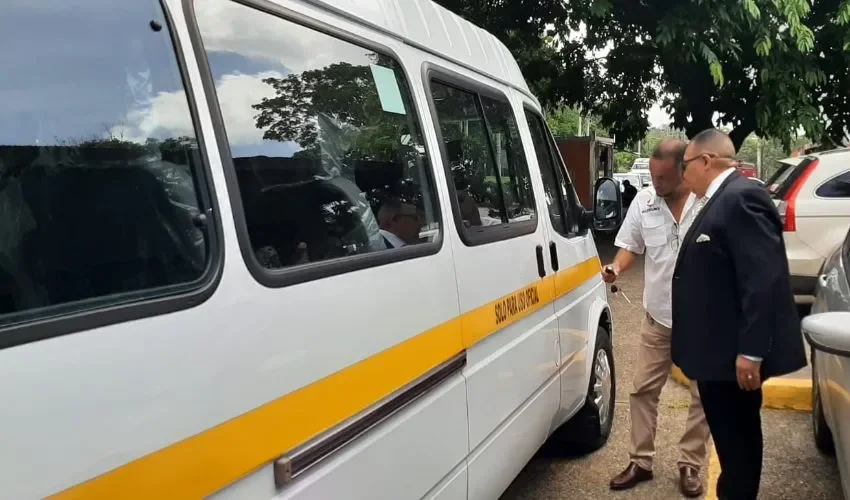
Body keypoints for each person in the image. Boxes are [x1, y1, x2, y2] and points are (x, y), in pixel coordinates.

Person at [673, 129, 807, 499]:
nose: (682, 174)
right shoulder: (721, 200)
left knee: (739, 445)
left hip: (733, 359)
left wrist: (752, 351)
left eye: (686, 165)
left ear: (705, 161)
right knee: (732, 444)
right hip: (718, 356)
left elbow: (762, 281)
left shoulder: (741, 197)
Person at [605, 140, 710, 497]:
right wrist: (615, 267)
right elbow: (629, 245)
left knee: (703, 395)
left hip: (702, 321)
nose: (657, 183)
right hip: (658, 320)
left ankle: (691, 465)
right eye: (653, 176)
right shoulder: (645, 202)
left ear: (684, 170)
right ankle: (641, 461)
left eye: (663, 177)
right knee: (642, 390)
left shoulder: (708, 203)